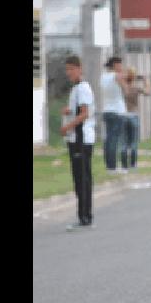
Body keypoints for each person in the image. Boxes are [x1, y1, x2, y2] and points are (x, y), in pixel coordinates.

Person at [60, 55, 96, 231]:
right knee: (79, 177)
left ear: (79, 69)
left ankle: (85, 216)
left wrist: (67, 126)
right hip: (76, 139)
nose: (69, 73)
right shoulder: (76, 89)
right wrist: (69, 111)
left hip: (82, 139)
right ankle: (83, 214)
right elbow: (77, 111)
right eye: (67, 70)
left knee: (82, 178)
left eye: (71, 69)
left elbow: (84, 113)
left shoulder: (83, 88)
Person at [101, 56, 130, 174]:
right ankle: (113, 167)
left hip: (107, 110)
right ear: (114, 65)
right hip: (117, 111)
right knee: (115, 140)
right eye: (119, 64)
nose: (121, 67)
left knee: (108, 139)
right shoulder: (116, 76)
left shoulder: (103, 77)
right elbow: (126, 89)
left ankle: (109, 165)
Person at [121, 67, 150, 172]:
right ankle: (133, 165)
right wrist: (146, 80)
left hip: (123, 115)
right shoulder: (135, 88)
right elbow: (148, 92)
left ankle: (124, 166)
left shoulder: (123, 88)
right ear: (133, 77)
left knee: (124, 142)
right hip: (133, 115)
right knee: (133, 142)